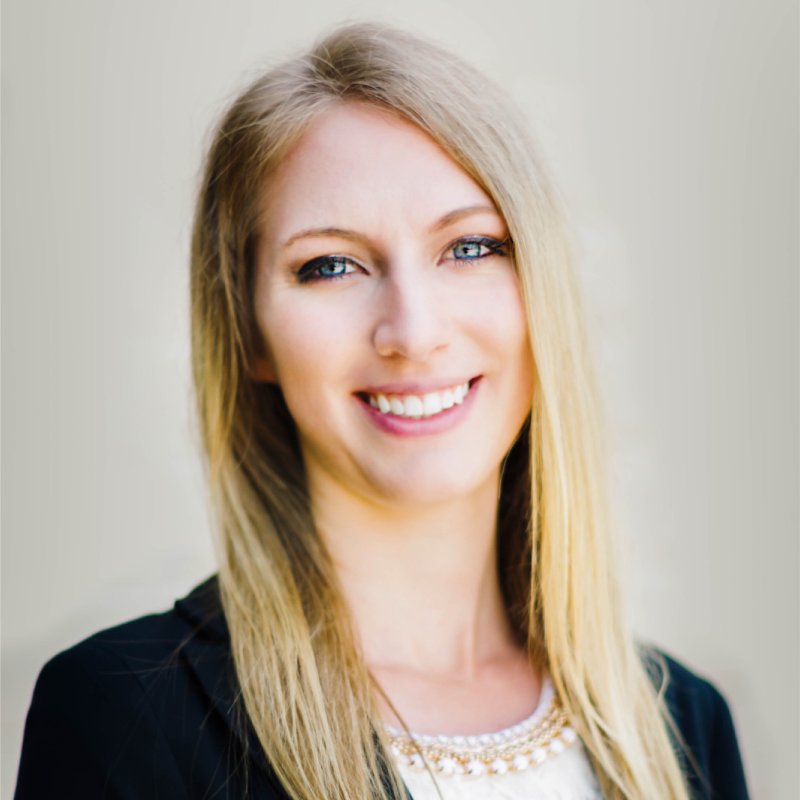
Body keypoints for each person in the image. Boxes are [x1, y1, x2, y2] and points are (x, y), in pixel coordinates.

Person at [14, 22, 749, 800]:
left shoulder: (684, 725)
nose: (414, 332)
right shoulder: (123, 718)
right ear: (249, 332)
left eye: (469, 248)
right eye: (330, 265)